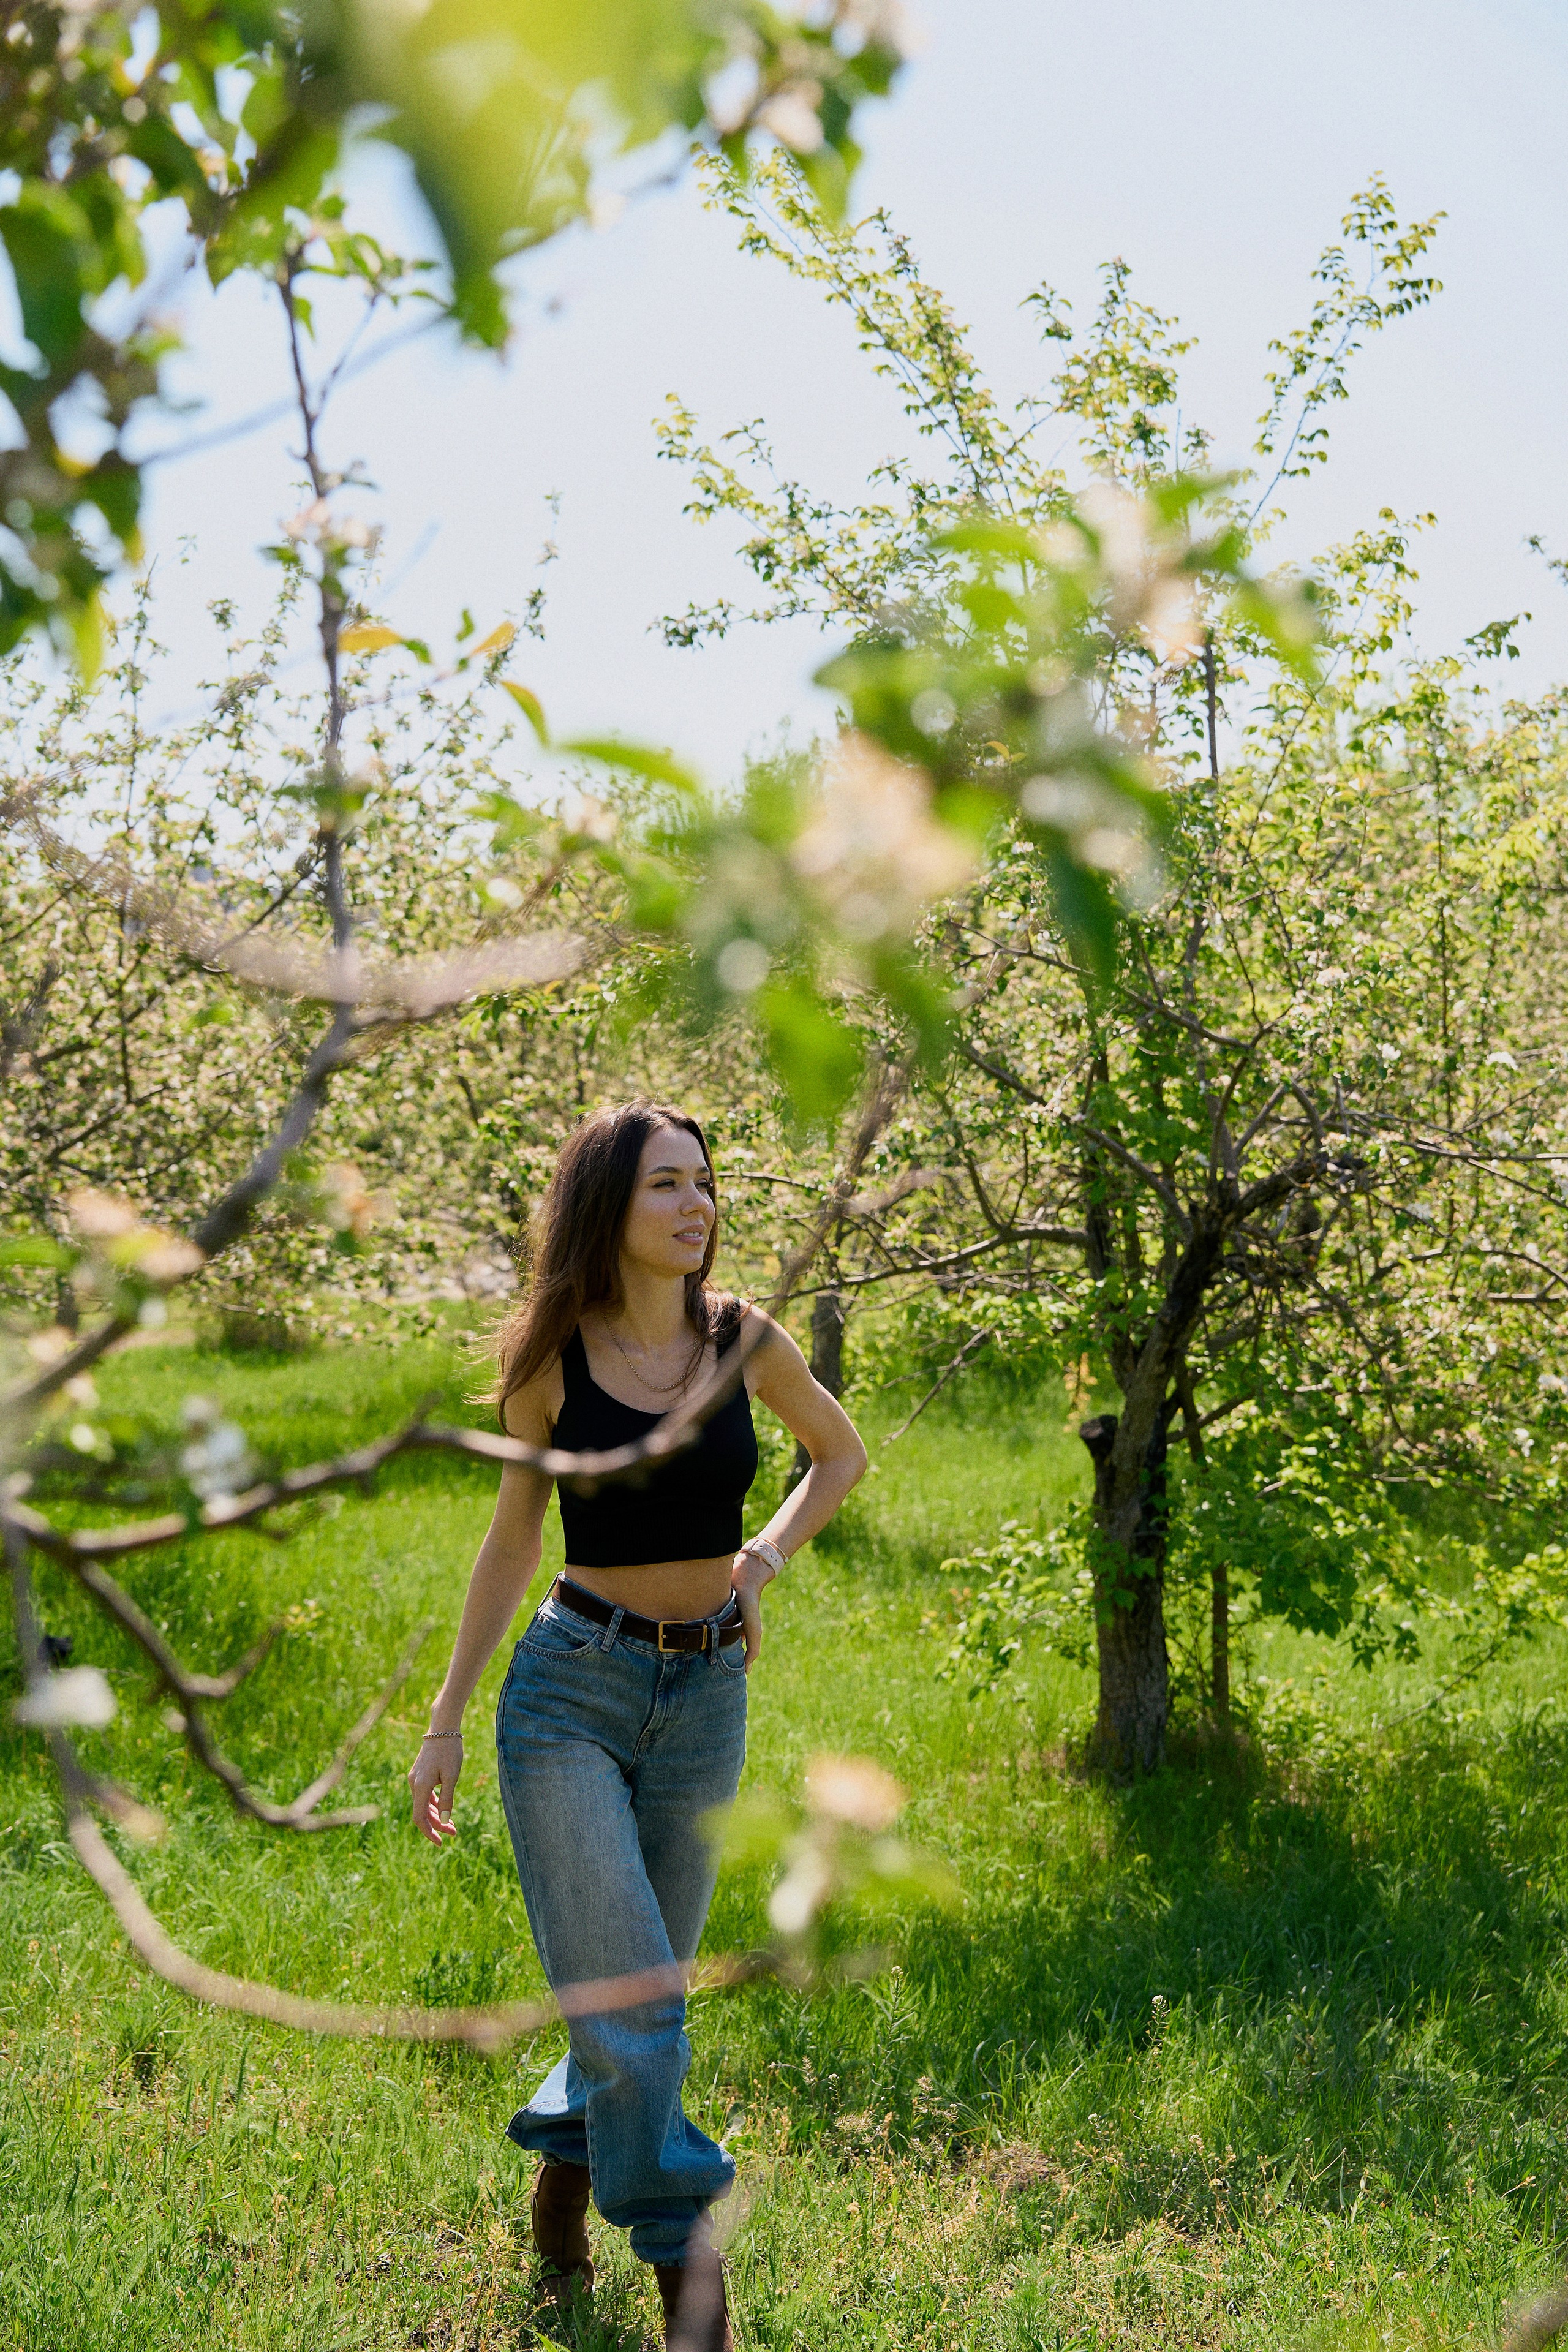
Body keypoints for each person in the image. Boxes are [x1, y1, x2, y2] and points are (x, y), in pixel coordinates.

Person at [407, 1099, 868, 2351]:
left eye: (704, 1184)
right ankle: (687, 2276)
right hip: (569, 1695)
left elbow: (837, 1454)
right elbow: (512, 1540)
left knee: (637, 1989)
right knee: (643, 1999)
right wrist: (445, 1720)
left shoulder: (740, 1338)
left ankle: (563, 2168)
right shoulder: (549, 1363)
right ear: (608, 1205)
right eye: (667, 1184)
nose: (695, 1206)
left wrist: (758, 1567)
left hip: (704, 1693)